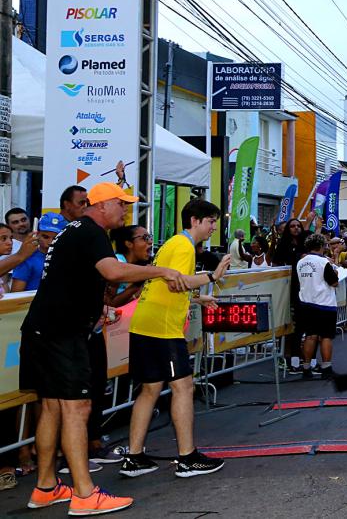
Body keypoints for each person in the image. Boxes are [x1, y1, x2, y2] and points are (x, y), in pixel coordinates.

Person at [20, 183, 186, 514]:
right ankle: (85, 495)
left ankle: (46, 487)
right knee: (76, 409)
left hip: (43, 330)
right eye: (120, 204)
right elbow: (112, 271)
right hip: (61, 334)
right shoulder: (91, 231)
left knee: (52, 407)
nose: (125, 210)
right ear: (101, 205)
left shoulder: (76, 231)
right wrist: (161, 270)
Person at [120, 200, 230, 480]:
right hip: (163, 328)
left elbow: (170, 284)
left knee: (150, 390)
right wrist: (212, 276)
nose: (213, 227)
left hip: (145, 323)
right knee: (183, 387)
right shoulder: (183, 245)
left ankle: (134, 457)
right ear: (194, 220)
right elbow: (175, 283)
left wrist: (198, 298)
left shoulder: (172, 243)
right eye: (210, 221)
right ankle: (187, 458)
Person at [83, 226, 153, 467]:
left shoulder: (132, 266)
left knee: (98, 387)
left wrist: (135, 289)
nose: (149, 242)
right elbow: (108, 300)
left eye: (149, 237)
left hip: (102, 333)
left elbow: (113, 303)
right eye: (144, 238)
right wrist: (136, 286)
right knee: (86, 393)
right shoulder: (115, 264)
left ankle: (93, 442)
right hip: (86, 334)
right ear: (128, 244)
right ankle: (82, 448)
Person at [296, 234, 341, 379]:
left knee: (310, 336)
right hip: (324, 304)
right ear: (321, 246)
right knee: (325, 337)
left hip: (306, 303)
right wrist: (335, 272)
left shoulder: (301, 262)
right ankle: (326, 368)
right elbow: (334, 282)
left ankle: (306, 368)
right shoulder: (323, 262)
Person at [274, 217, 309, 374]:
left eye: (298, 226)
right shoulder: (283, 246)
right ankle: (289, 357)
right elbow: (275, 264)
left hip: (306, 287)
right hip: (289, 289)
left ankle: (304, 357)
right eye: (292, 226)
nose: (296, 228)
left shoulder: (305, 245)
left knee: (304, 325)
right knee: (291, 325)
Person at [11, 213, 66, 293]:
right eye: (45, 237)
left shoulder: (67, 258)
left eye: (55, 238)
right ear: (37, 234)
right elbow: (15, 294)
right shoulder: (27, 259)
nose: (50, 242)